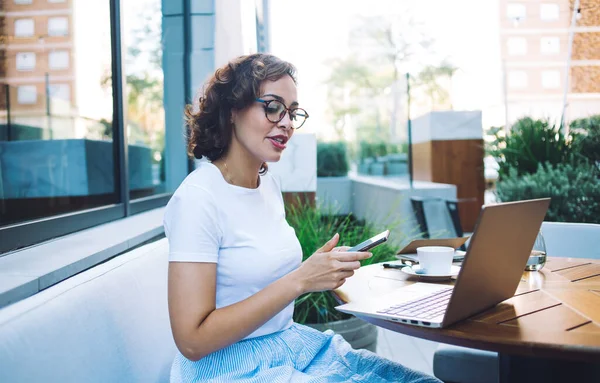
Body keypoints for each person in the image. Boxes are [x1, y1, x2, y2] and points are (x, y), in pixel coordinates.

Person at [163, 53, 441, 383]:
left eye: (292, 113)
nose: (286, 123)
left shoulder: (268, 186)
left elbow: (260, 278)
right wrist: (301, 280)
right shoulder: (198, 199)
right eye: (273, 107)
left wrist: (318, 269)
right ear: (232, 111)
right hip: (227, 367)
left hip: (290, 346)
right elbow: (192, 341)